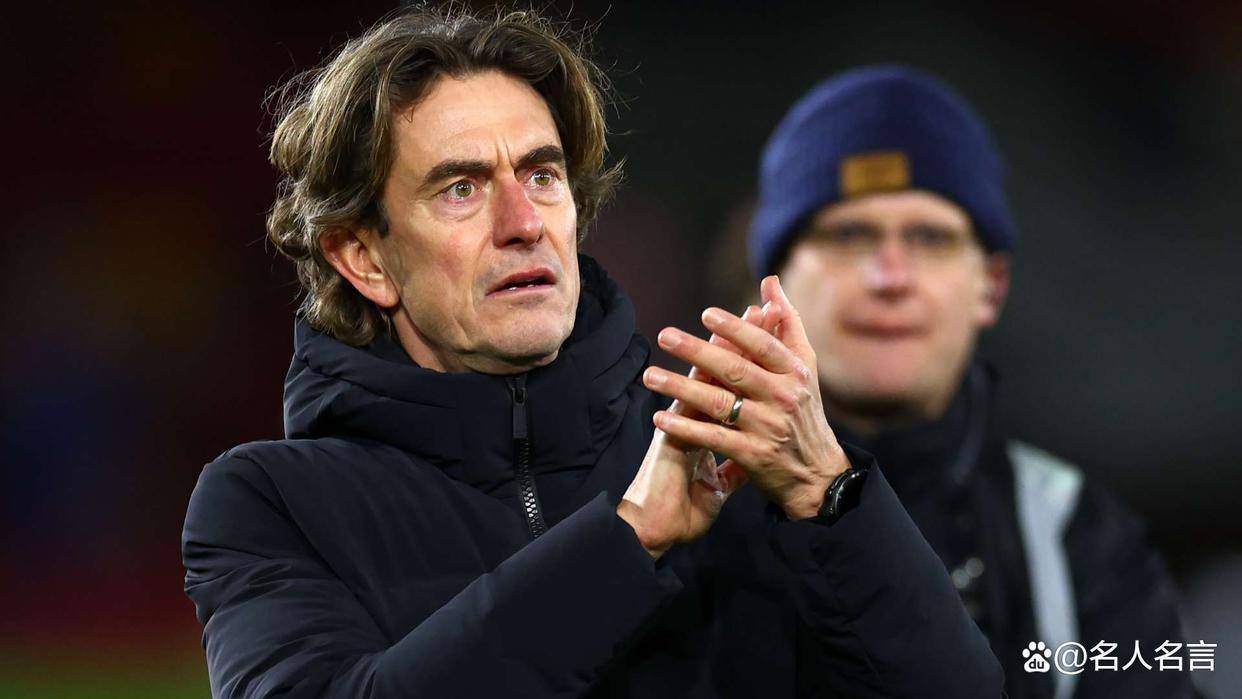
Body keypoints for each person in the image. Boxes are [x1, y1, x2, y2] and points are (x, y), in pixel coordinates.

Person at [181, 10, 1003, 698]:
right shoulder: (271, 504)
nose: (522, 222)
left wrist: (830, 491)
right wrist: (629, 537)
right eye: (461, 188)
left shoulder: (736, 454)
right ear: (364, 257)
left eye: (542, 176)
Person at [748, 66, 1199, 699]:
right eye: (848, 235)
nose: (890, 276)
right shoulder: (680, 510)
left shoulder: (1075, 535)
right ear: (775, 281)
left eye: (930, 238)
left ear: (993, 286)